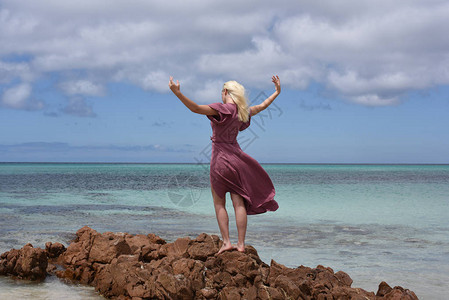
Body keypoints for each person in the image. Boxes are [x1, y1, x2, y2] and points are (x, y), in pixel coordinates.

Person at [169, 75, 281, 254]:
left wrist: (177, 93)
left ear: (225, 92)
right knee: (239, 203)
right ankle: (241, 245)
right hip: (237, 160)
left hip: (220, 160)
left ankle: (227, 242)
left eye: (222, 92)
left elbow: (196, 108)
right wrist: (276, 92)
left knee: (219, 203)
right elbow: (261, 107)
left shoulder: (222, 109)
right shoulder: (242, 112)